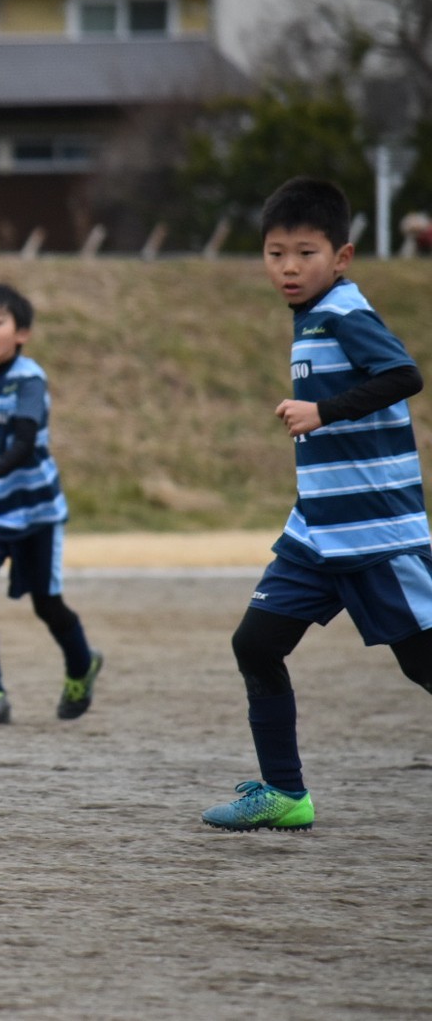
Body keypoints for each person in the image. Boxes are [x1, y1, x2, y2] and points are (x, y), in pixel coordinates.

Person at [202, 177, 432, 832]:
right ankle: (285, 794)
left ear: (342, 257)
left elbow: (404, 375)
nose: (289, 267)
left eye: (305, 253)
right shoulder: (312, 316)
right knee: (255, 644)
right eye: (276, 253)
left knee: (423, 665)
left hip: (373, 532)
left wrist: (321, 412)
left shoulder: (345, 311)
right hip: (317, 530)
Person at [0, 284, 102, 725]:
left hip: (36, 510)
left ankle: (81, 665)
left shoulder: (29, 379)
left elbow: (26, 441)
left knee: (46, 604)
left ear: (22, 333)